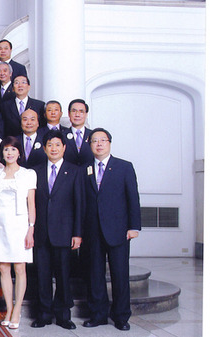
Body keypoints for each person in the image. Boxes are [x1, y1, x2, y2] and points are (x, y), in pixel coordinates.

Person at [82, 128, 141, 331]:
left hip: (119, 229)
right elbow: (81, 201)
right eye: (94, 141)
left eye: (103, 140)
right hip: (92, 230)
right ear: (90, 145)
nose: (99, 144)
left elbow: (133, 198)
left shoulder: (124, 167)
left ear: (109, 143)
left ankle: (121, 316)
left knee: (120, 274)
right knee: (94, 274)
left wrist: (134, 226)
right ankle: (97, 315)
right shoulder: (84, 168)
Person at [31, 130, 83, 330]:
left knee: (63, 276)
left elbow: (79, 204)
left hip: (65, 232)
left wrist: (77, 233)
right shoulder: (34, 171)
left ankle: (63, 315)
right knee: (42, 275)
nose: (53, 148)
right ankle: (43, 314)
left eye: (57, 145)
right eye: (50, 145)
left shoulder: (75, 171)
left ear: (64, 148)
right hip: (41, 233)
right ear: (44, 148)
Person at [0, 136, 36, 329]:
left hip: (20, 225)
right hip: (0, 224)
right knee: (4, 268)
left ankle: (17, 310)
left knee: (20, 268)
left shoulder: (28, 174)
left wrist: (31, 229)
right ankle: (9, 308)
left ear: (19, 153)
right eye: (6, 149)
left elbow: (31, 204)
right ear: (1, 153)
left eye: (13, 149)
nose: (9, 153)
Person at [63, 98, 93, 166]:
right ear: (69, 113)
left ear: (86, 114)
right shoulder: (61, 136)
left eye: (81, 111)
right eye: (74, 111)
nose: (77, 115)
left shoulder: (93, 135)